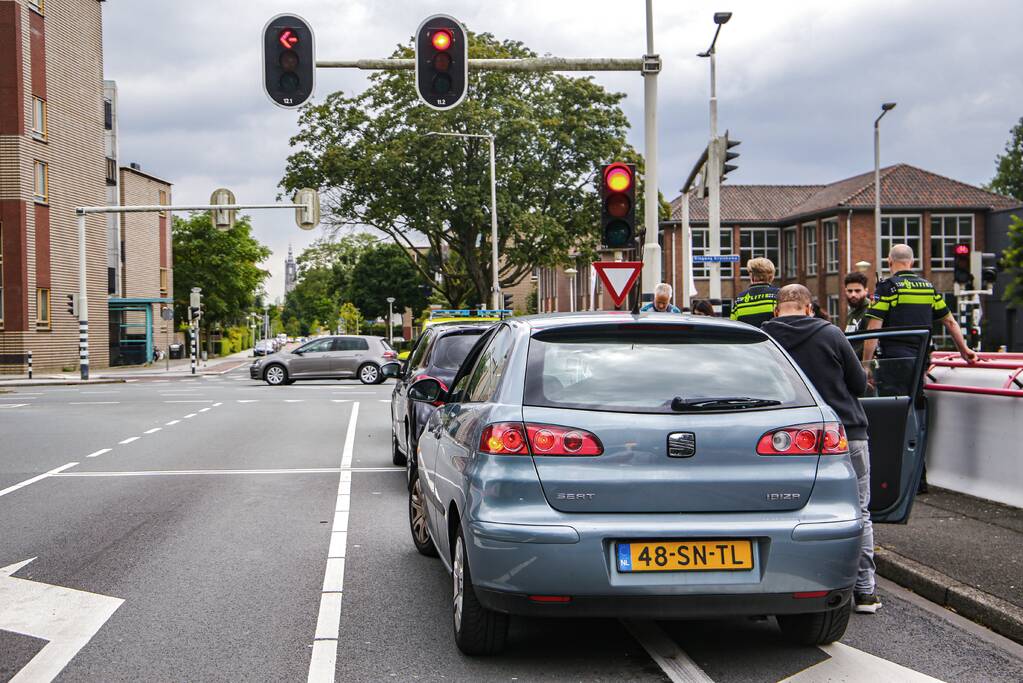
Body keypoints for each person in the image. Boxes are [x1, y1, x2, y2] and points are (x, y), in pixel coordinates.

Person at [762, 284, 880, 614]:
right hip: (845, 431)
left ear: (777, 309)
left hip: (783, 439)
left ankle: (778, 584)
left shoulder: (763, 339)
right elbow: (859, 384)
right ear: (810, 308)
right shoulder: (831, 334)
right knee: (859, 509)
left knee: (783, 514)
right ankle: (865, 591)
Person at [862, 244, 978, 493]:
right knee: (917, 415)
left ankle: (895, 480)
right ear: (912, 263)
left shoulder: (888, 287)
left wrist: (867, 364)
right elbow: (949, 320)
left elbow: (873, 328)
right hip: (921, 362)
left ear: (890, 261)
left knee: (893, 419)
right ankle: (920, 480)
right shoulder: (928, 287)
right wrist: (965, 351)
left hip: (895, 363)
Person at [730, 257, 779, 328]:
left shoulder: (740, 299)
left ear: (752, 276)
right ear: (771, 277)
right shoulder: (778, 295)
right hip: (770, 338)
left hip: (748, 338)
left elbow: (733, 325)